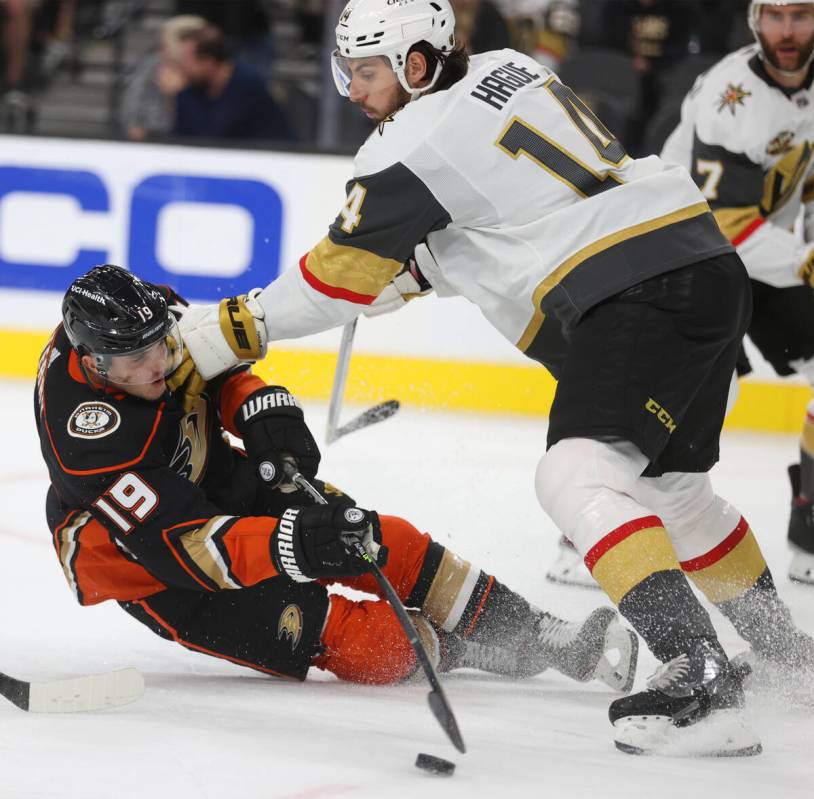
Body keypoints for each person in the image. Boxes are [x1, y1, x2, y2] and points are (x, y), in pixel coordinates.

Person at [172, 0, 814, 756]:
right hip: (699, 265)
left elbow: (335, 279)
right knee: (673, 494)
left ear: (415, 66)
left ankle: (700, 680)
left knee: (575, 477)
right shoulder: (507, 71)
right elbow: (462, 242)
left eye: (368, 71)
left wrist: (219, 333)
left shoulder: (410, 142)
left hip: (630, 291)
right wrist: (377, 272)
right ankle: (787, 659)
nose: (352, 89)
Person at [34, 264, 637, 695]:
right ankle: (463, 647)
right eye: (137, 361)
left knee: (375, 538)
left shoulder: (146, 321)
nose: (158, 362)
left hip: (205, 472)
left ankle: (545, 635)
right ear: (94, 362)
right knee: (367, 639)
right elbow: (186, 549)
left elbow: (207, 364)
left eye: (157, 345)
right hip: (144, 564)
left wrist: (258, 405)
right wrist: (288, 544)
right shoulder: (91, 439)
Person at [661, 0, 814, 586]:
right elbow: (725, 224)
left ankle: (808, 537)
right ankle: (590, 531)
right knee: (697, 396)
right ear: (753, 21)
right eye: (773, 15)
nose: (786, 31)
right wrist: (805, 260)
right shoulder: (734, 94)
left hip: (762, 250)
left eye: (800, 15)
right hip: (688, 250)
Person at [171, 24, 291, 142]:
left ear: (208, 61)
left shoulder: (247, 84)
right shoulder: (195, 87)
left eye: (186, 61)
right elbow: (180, 137)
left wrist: (180, 93)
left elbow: (213, 137)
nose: (181, 67)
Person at [120, 14, 207, 142]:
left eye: (165, 45)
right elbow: (135, 112)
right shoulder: (153, 68)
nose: (162, 51)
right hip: (155, 139)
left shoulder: (206, 72)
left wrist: (178, 95)